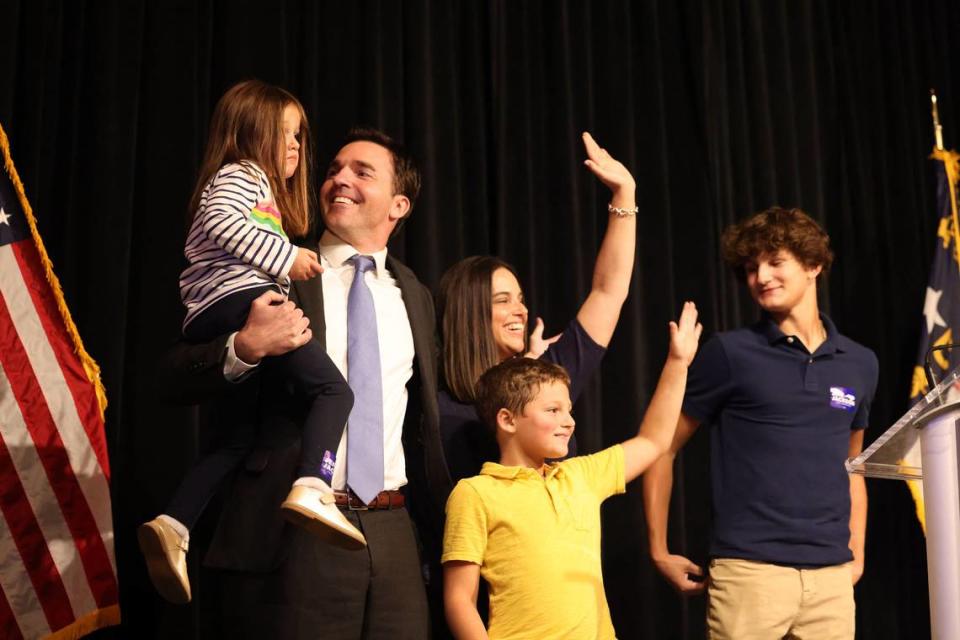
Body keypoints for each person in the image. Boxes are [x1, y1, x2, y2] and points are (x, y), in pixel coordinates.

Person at [159, 126, 450, 638]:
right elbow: (174, 377)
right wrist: (242, 349)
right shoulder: (275, 268)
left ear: (398, 205)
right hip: (291, 530)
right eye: (335, 169)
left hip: (393, 527)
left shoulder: (415, 295)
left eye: (362, 172)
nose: (339, 179)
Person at [138, 80, 360, 606]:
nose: (296, 147)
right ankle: (314, 484)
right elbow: (218, 221)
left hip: (217, 312)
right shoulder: (243, 175)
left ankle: (173, 524)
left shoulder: (254, 186)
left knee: (233, 442)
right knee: (335, 393)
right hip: (237, 303)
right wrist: (284, 259)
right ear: (249, 132)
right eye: (284, 133)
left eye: (299, 136)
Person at [642, 208, 878, 640]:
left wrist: (855, 556)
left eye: (775, 262)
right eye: (751, 268)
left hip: (831, 578)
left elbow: (854, 465)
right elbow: (659, 445)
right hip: (749, 574)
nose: (761, 277)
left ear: (813, 265)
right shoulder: (730, 354)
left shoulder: (861, 363)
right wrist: (658, 550)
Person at [442, 303, 702, 639]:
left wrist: (678, 362)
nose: (569, 421)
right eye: (553, 410)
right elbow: (460, 599)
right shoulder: (476, 493)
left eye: (569, 410)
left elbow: (653, 441)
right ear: (507, 420)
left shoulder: (580, 477)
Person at [436, 132, 637, 484]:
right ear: (468, 316)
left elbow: (608, 292)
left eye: (521, 300)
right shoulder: (438, 399)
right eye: (503, 300)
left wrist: (624, 196)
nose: (521, 311)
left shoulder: (546, 378)